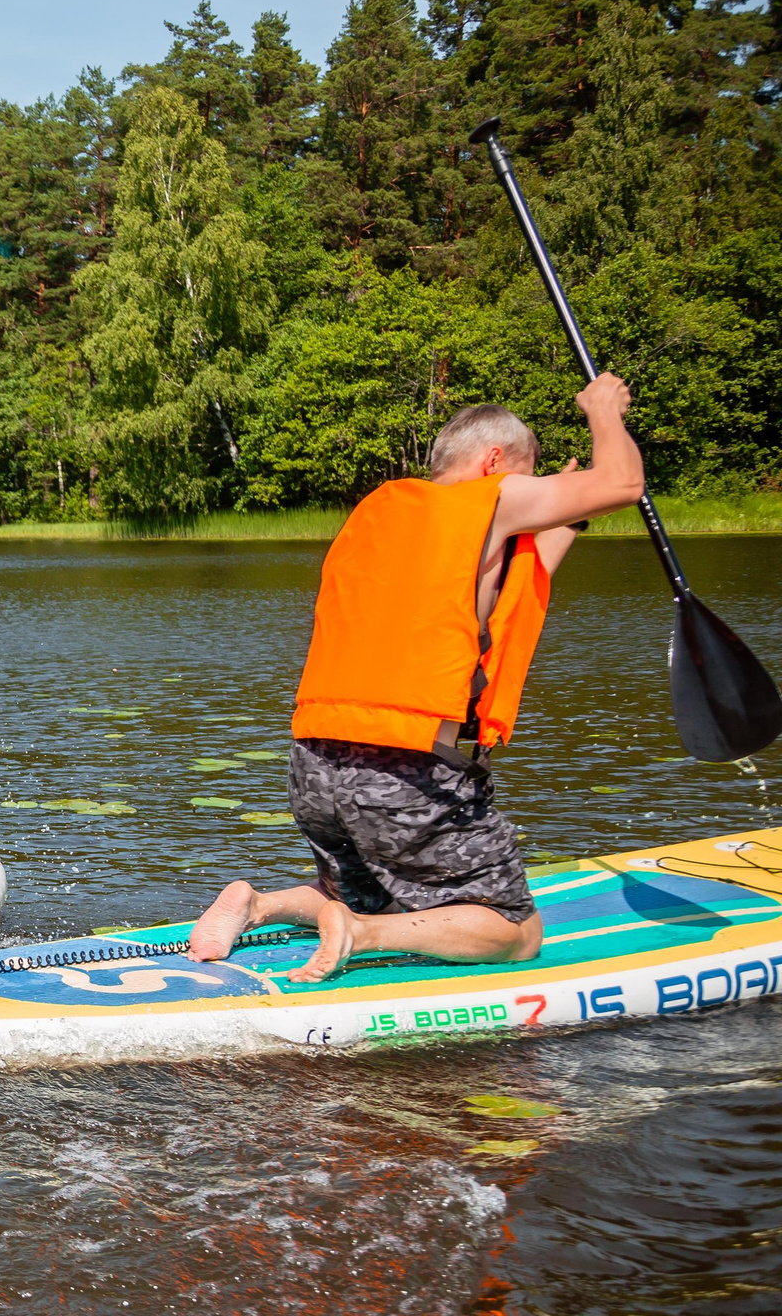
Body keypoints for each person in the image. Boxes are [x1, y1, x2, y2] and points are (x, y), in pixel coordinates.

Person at [187, 377, 646, 982]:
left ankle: (260, 905)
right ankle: (360, 933)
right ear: (494, 463)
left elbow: (511, 581)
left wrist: (571, 513)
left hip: (315, 760)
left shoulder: (383, 513)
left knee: (365, 887)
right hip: (405, 771)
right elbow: (624, 484)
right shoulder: (489, 499)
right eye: (529, 478)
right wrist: (603, 411)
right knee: (514, 929)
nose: (532, 494)